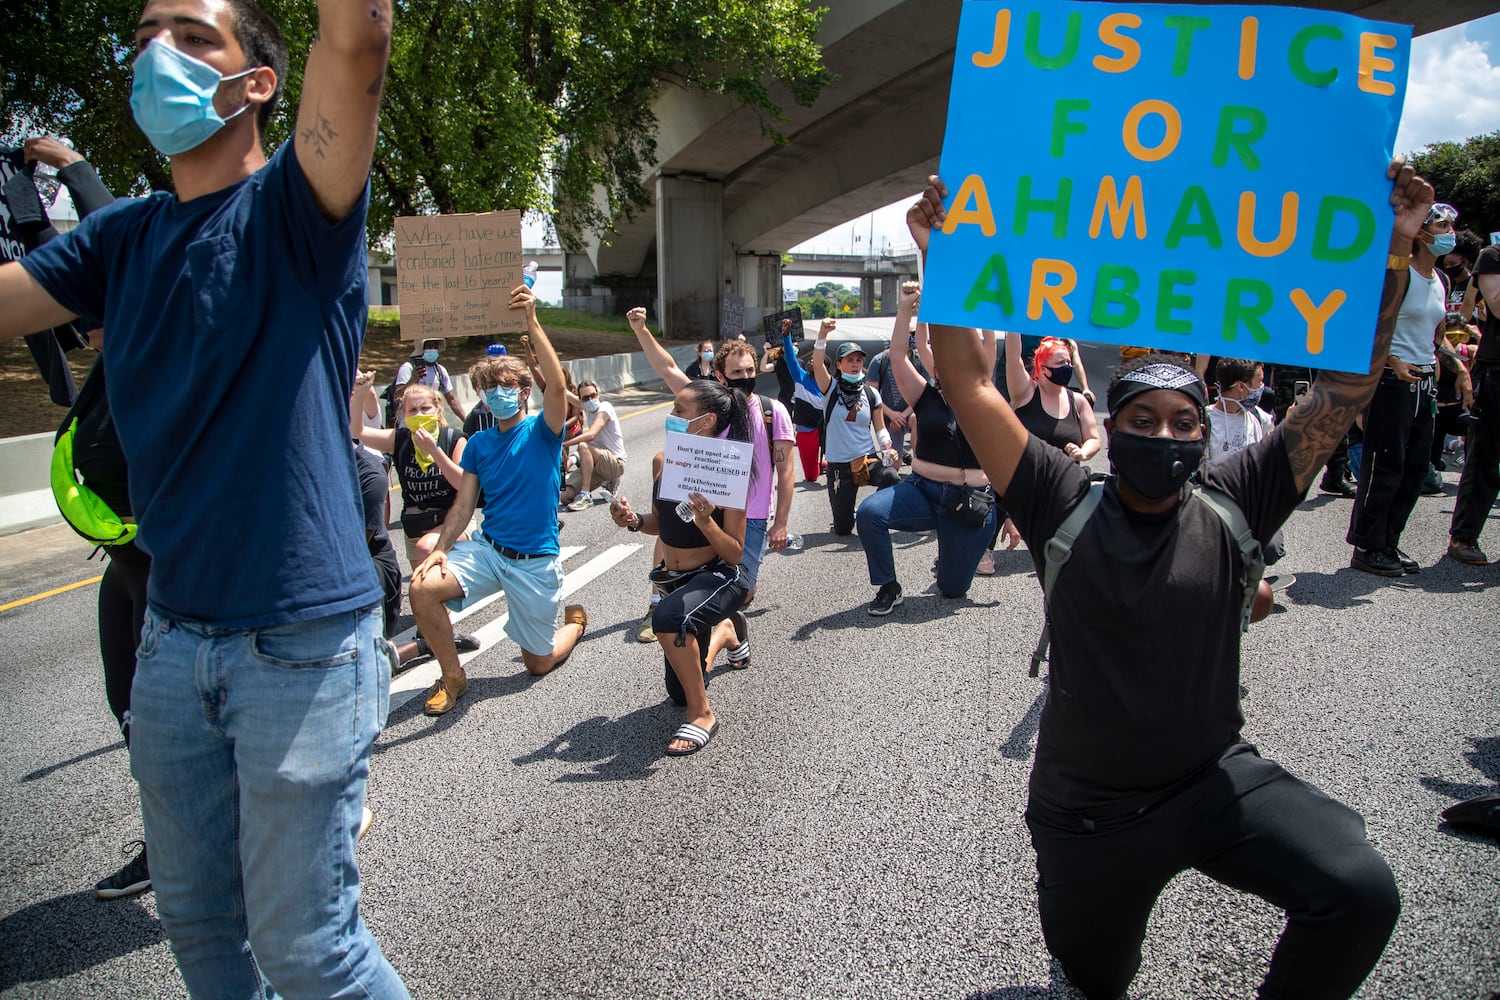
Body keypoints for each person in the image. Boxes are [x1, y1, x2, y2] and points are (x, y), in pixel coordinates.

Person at [908, 160, 1423, 1000]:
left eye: (1184, 422)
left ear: (1204, 434)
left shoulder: (1237, 498)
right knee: (1095, 984)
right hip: (1088, 816)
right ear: (1112, 430)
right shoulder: (1059, 498)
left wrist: (1392, 253)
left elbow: (1345, 385)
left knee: (1359, 892)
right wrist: (947, 256)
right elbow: (965, 381)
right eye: (1142, 420)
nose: (1165, 434)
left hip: (1213, 780)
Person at [1, 0, 408, 992]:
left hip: (300, 645)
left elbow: (357, 37)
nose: (155, 55)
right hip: (171, 643)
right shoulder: (120, 240)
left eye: (190, 35)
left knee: (311, 949)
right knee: (197, 923)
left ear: (258, 81)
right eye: (144, 36)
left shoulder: (297, 211)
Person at [406, 287, 588, 716]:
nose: (496, 393)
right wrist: (442, 551)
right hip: (490, 552)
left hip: (534, 561)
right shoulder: (479, 444)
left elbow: (559, 385)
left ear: (525, 391)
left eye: (506, 386)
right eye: (488, 388)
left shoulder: (545, 430)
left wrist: (532, 320)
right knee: (421, 587)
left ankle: (575, 627)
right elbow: (463, 507)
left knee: (538, 664)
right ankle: (453, 676)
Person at [626, 305, 794, 647]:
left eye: (750, 370)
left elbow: (786, 469)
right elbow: (667, 367)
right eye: (737, 371)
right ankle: (659, 603)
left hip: (753, 517)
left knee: (740, 593)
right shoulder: (708, 405)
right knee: (673, 539)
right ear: (720, 375)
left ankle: (726, 629)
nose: (746, 376)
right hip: (702, 507)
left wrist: (782, 522)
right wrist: (641, 330)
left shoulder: (771, 411)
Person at [608, 379, 752, 755]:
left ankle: (702, 713)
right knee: (676, 690)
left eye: (678, 411)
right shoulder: (662, 461)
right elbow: (661, 522)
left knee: (668, 620)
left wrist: (707, 522)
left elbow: (736, 552)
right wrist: (632, 520)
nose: (670, 417)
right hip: (675, 580)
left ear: (705, 421)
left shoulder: (730, 466)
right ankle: (725, 632)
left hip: (718, 575)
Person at [855, 282, 998, 616]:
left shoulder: (987, 399)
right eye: (943, 362)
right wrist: (907, 307)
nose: (952, 366)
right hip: (922, 491)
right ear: (934, 369)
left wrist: (989, 308)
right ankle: (888, 587)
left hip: (970, 502)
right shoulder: (925, 395)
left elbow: (989, 346)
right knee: (870, 513)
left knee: (952, 590)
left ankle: (950, 557)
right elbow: (898, 356)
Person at [1346, 202, 1464, 577]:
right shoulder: (1398, 275)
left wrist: (1459, 369)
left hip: (1425, 384)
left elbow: (1436, 338)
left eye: (1451, 225)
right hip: (1393, 383)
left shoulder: (1439, 282)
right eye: (1442, 225)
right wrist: (1391, 362)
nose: (1449, 233)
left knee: (1415, 469)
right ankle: (1367, 545)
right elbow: (1365, 326)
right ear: (1421, 232)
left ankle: (1388, 542)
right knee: (1385, 467)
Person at [353, 377, 467, 567]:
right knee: (423, 590)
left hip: (452, 520)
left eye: (425, 408)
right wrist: (360, 395)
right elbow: (357, 431)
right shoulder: (400, 439)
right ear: (404, 416)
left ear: (437, 410)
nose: (419, 414)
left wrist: (434, 451)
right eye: (412, 411)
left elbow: (464, 485)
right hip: (416, 524)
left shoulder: (453, 439)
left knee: (426, 549)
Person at [811, 335, 899, 536]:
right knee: (843, 529)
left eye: (858, 360)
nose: (855, 364)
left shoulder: (871, 393)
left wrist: (887, 446)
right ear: (839, 364)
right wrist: (822, 335)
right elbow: (817, 364)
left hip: (865, 458)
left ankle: (868, 511)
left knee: (891, 476)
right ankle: (847, 516)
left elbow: (880, 428)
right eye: (849, 360)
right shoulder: (830, 388)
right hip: (839, 466)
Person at [1448, 239, 1500, 566]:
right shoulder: (1493, 256)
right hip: (1496, 370)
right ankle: (1463, 537)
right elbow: (1495, 304)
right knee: (1486, 458)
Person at [1004, 333, 1102, 466]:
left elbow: (1093, 438)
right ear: (1043, 368)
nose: (1067, 367)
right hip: (1027, 480)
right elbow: (1013, 357)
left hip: (1064, 481)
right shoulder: (1026, 393)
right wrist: (1013, 324)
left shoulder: (1079, 401)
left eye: (1068, 362)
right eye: (1060, 363)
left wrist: (1083, 452)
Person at [559, 379, 627, 510]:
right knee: (565, 497)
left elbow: (591, 434)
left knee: (583, 445)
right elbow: (564, 392)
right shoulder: (587, 408)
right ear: (581, 400)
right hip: (597, 465)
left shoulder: (605, 408)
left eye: (593, 395)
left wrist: (564, 443)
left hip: (615, 463)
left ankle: (585, 495)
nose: (590, 400)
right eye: (585, 398)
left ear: (598, 394)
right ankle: (608, 482)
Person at [865, 319, 927, 461]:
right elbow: (871, 395)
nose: (913, 337)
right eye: (910, 333)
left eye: (915, 333)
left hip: (910, 416)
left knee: (916, 419)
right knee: (891, 466)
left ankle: (919, 465)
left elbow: (924, 394)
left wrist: (903, 415)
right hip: (888, 420)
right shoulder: (880, 360)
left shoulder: (920, 361)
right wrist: (892, 414)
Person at [780, 317, 828, 482]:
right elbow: (790, 358)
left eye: (816, 361)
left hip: (829, 430)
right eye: (810, 360)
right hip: (807, 429)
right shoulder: (800, 377)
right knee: (811, 476)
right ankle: (819, 465)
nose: (811, 362)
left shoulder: (829, 383)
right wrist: (786, 336)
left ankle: (828, 463)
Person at [394, 337, 466, 421]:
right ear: (421, 348)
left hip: (432, 421)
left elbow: (451, 399)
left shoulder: (440, 370)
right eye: (429, 346)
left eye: (435, 346)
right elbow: (397, 396)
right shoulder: (408, 368)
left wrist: (466, 421)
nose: (432, 349)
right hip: (410, 423)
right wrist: (413, 380)